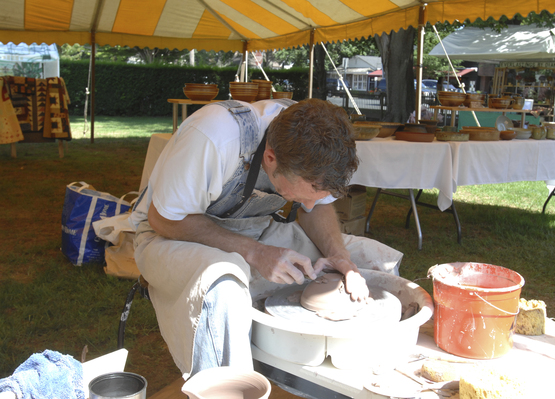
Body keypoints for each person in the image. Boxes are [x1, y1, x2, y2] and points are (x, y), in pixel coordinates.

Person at [129, 98, 402, 379]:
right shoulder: (213, 137)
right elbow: (163, 219)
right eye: (300, 195)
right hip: (171, 235)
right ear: (270, 159)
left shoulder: (314, 139)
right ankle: (228, 388)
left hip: (254, 230)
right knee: (223, 284)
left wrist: (340, 258)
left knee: (372, 259)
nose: (305, 202)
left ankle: (361, 377)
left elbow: (316, 206)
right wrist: (256, 253)